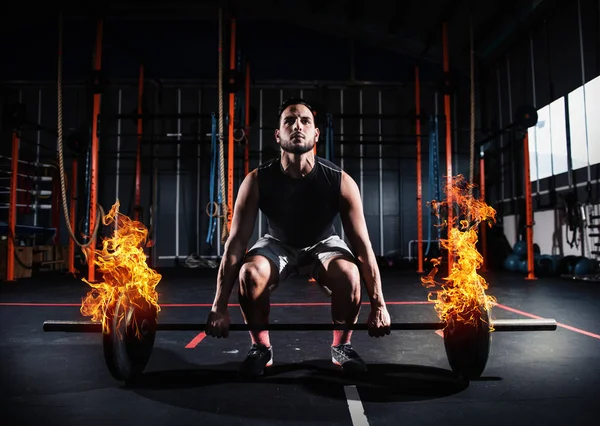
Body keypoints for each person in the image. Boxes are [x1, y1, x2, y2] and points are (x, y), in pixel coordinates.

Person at [205, 97, 391, 377]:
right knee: (249, 273)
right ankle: (260, 348)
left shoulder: (340, 181)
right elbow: (235, 246)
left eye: (305, 121)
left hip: (324, 242)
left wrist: (379, 305)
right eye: (289, 121)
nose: (297, 126)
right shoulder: (256, 180)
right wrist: (218, 307)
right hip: (277, 243)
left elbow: (362, 246)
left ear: (316, 133)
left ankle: (342, 347)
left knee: (350, 274)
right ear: (278, 135)